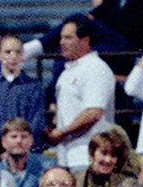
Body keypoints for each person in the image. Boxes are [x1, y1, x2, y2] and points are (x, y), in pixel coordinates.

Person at [48, 16, 115, 171]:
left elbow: (93, 112)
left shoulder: (96, 68)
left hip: (87, 157)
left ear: (85, 41)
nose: (61, 42)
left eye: (68, 38)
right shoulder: (67, 72)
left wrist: (62, 132)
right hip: (68, 156)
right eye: (61, 38)